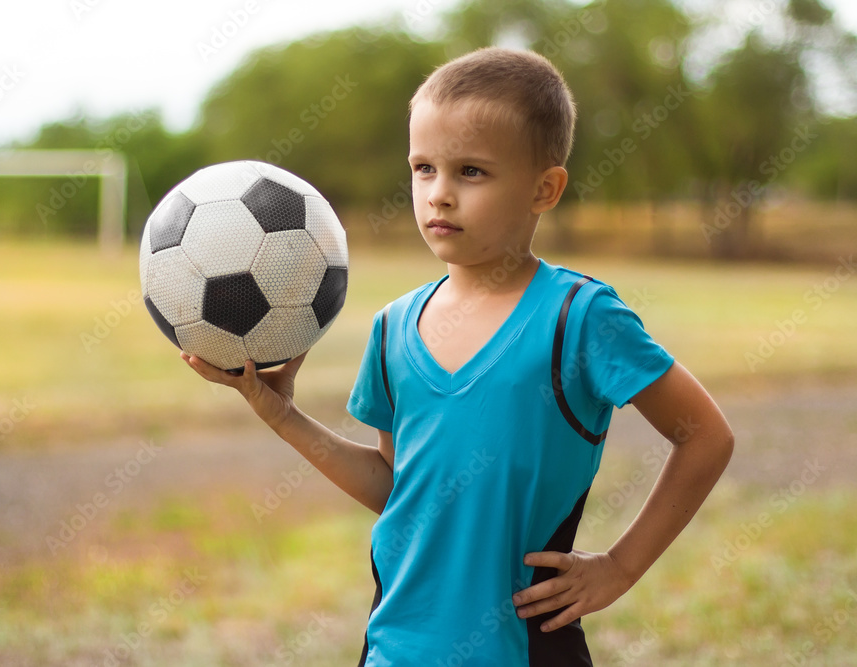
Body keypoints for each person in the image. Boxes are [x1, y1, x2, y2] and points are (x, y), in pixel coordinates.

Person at [183, 47, 734, 666]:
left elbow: (705, 436)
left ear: (544, 189)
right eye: (423, 168)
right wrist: (281, 414)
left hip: (523, 650)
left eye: (471, 171)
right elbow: (397, 488)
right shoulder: (393, 328)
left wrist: (621, 567)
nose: (438, 195)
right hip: (394, 647)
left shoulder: (579, 319)